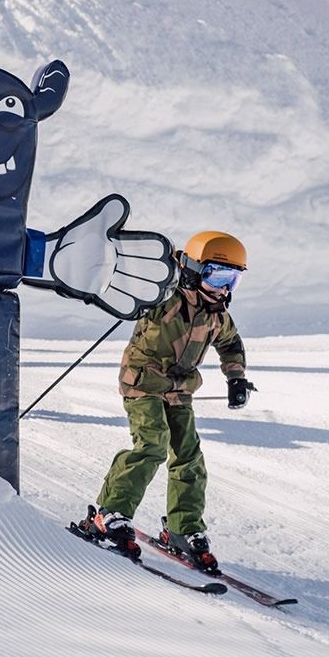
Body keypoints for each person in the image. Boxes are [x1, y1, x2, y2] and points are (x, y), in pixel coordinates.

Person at [76, 230, 255, 570]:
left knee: (189, 456)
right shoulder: (166, 297)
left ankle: (183, 529)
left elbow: (231, 344)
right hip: (143, 382)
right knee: (152, 447)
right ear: (193, 267)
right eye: (217, 274)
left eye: (232, 279)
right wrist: (153, 278)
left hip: (178, 390)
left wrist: (236, 378)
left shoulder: (217, 314)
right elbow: (141, 287)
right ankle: (109, 514)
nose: (224, 287)